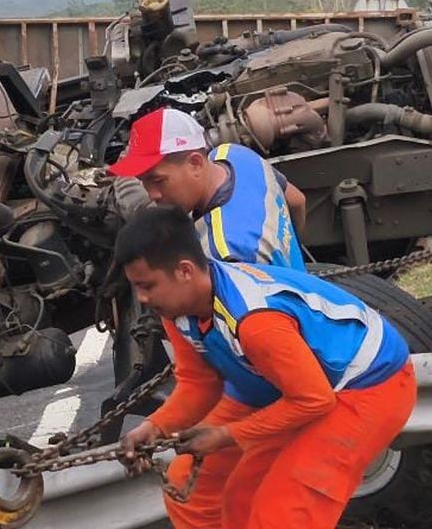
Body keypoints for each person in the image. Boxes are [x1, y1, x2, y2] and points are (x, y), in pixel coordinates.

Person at [115, 207, 416, 529]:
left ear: (185, 271)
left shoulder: (256, 322)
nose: (142, 298)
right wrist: (154, 426)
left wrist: (226, 435)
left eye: (147, 285)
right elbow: (200, 383)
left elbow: (314, 401)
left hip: (367, 385)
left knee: (283, 513)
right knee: (199, 486)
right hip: (289, 388)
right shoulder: (179, 307)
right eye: (136, 287)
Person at [108, 107, 307, 270]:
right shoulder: (234, 155)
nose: (152, 194)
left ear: (195, 163)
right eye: (143, 182)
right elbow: (298, 201)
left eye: (158, 181)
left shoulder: (223, 252)